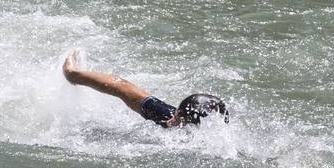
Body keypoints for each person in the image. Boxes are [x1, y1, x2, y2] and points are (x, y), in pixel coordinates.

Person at [62, 50, 227, 128]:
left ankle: (73, 75)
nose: (173, 118)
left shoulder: (164, 117)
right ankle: (74, 75)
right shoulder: (224, 146)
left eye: (178, 115)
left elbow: (120, 86)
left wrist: (71, 74)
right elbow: (121, 87)